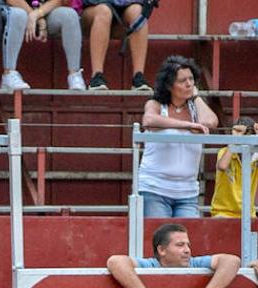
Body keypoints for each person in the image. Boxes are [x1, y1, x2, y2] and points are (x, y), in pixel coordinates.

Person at [107, 222, 240, 288]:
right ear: (162, 250)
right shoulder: (151, 265)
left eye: (188, 245)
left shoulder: (195, 263)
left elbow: (232, 261)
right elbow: (115, 261)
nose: (187, 250)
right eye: (180, 245)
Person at [138, 55, 218, 218]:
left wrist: (196, 97)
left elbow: (211, 121)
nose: (189, 84)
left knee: (186, 238)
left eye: (191, 79)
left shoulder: (195, 107)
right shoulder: (157, 104)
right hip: (154, 188)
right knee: (160, 237)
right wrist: (187, 125)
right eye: (182, 81)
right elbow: (149, 120)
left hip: (187, 192)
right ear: (169, 85)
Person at [0, 0, 86, 92]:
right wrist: (36, 17)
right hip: (15, 9)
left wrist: (38, 14)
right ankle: (9, 73)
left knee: (70, 15)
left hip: (45, 11)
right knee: (18, 15)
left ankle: (74, 75)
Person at [81, 0, 152, 91]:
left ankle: (138, 76)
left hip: (123, 11)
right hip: (92, 10)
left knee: (138, 12)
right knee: (104, 11)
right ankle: (96, 75)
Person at [210, 117, 258, 219]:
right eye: (234, 131)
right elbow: (222, 166)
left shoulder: (255, 157)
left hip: (248, 213)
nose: (235, 134)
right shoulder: (225, 151)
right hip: (223, 212)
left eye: (240, 132)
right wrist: (234, 141)